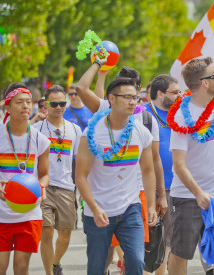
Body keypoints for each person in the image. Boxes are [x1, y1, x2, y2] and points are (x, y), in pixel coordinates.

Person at [75, 77, 157, 274]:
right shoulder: (91, 133)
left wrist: (152, 204)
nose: (133, 102)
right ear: (111, 98)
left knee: (137, 262)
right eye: (127, 97)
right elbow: (80, 177)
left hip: (131, 208)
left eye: (136, 98)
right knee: (96, 268)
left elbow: (147, 170)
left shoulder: (140, 131)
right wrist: (94, 208)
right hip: (98, 211)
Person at [167, 57, 214, 275]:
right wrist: (198, 193)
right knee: (181, 254)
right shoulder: (181, 116)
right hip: (188, 196)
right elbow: (178, 164)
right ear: (205, 82)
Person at [0, 83, 50, 275]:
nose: (25, 106)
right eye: (19, 102)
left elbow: (44, 174)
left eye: (28, 102)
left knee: (21, 267)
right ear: (8, 107)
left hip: (29, 213)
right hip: (2, 213)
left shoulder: (40, 140)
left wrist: (41, 187)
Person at [32, 85, 82, 275]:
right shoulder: (36, 129)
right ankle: (49, 273)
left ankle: (55, 262)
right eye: (54, 104)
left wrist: (83, 190)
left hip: (66, 188)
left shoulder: (74, 129)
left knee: (66, 234)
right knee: (47, 231)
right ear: (45, 104)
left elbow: (80, 161)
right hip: (43, 187)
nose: (59, 107)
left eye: (62, 103)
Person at [144, 74, 181, 275]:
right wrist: (157, 193)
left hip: (176, 185)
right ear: (160, 93)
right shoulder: (143, 114)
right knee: (147, 235)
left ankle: (161, 271)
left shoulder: (180, 114)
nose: (179, 95)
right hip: (148, 186)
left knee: (168, 237)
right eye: (174, 92)